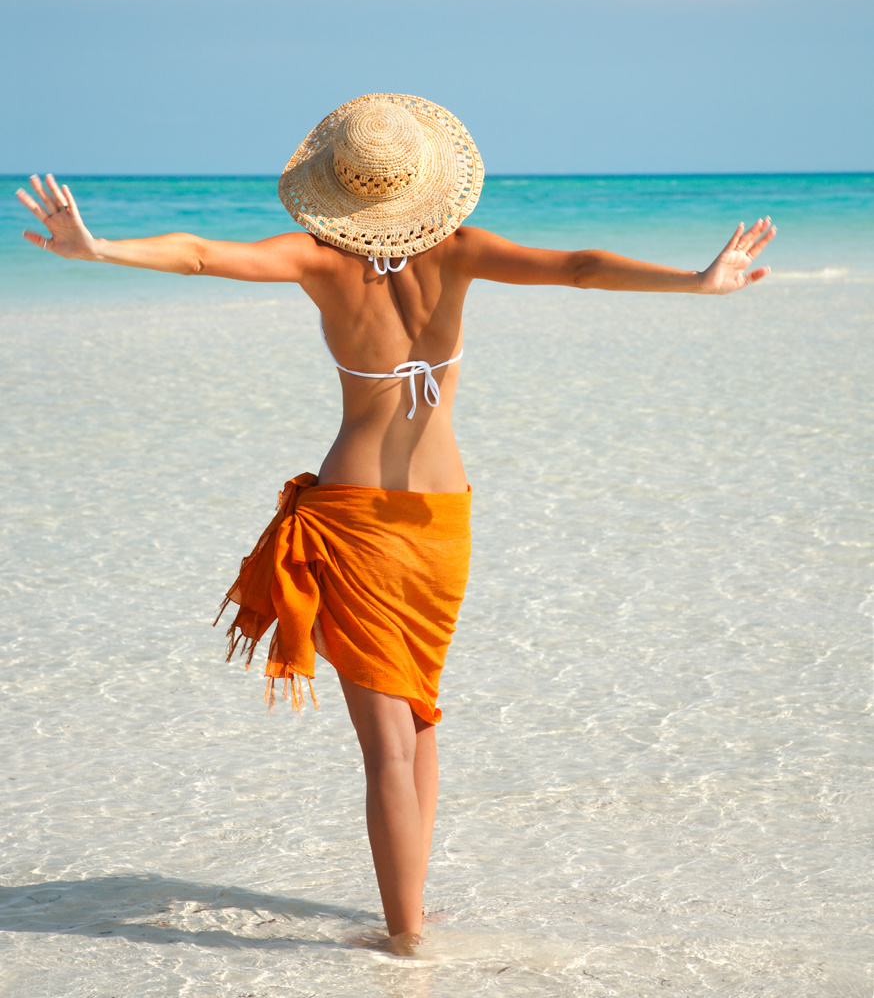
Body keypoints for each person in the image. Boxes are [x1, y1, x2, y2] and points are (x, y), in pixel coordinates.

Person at [17, 92, 775, 954]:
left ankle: (406, 940)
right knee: (418, 718)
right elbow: (578, 266)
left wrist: (101, 248)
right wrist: (696, 280)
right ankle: (409, 914)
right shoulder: (460, 252)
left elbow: (197, 253)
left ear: (337, 190)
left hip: (356, 520)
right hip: (442, 522)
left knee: (389, 741)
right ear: (426, 186)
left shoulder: (319, 261)